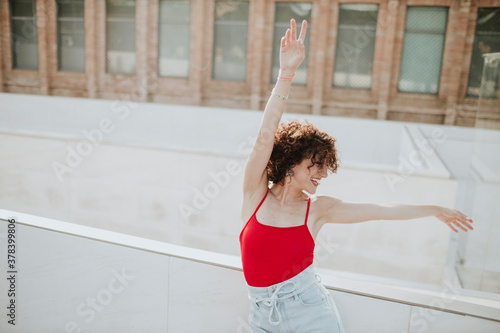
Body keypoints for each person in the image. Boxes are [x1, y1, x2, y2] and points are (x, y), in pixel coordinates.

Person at [239, 18, 474, 333]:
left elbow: (379, 211)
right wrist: (287, 74)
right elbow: (264, 137)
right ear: (292, 162)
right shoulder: (255, 194)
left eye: (326, 167)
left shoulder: (318, 208)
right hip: (261, 315)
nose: (322, 174)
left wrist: (434, 209)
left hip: (310, 312)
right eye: (316, 164)